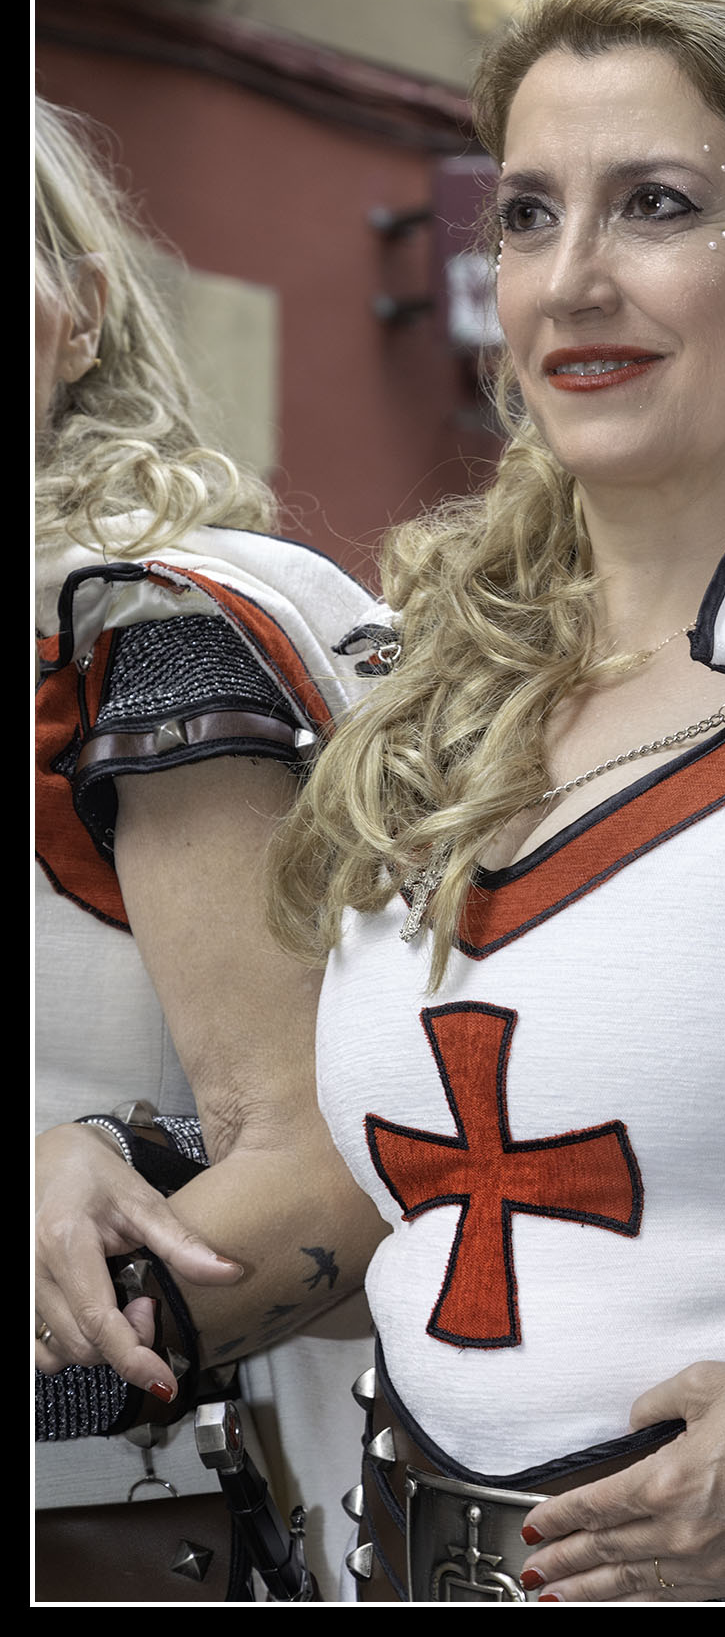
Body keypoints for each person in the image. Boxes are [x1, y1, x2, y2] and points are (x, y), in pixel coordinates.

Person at [39, 0, 725, 1604]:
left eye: (661, 207)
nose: (573, 282)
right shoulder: (429, 708)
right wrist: (111, 1158)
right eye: (530, 215)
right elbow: (423, 1164)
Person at [33, 94, 386, 1600]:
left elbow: (332, 1174)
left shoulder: (152, 638)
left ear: (81, 310)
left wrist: (111, 1158)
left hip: (98, 1522)